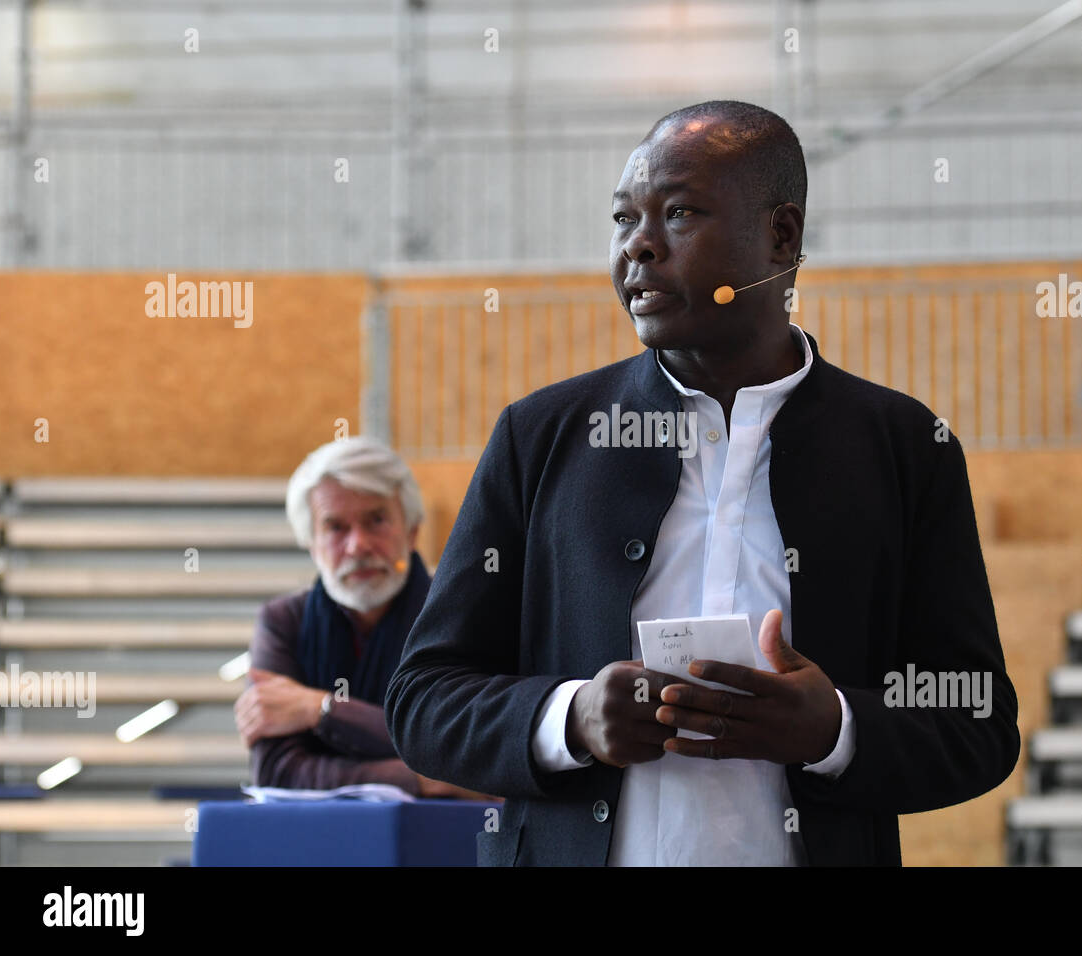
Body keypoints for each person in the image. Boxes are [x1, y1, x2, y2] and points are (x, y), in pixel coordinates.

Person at [385, 100, 1019, 864]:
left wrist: (836, 729)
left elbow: (976, 722)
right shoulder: (540, 435)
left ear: (780, 236)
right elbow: (422, 700)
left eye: (679, 213)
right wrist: (572, 717)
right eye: (625, 220)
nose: (639, 248)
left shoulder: (905, 446)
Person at [236, 436, 483, 800]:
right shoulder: (283, 621)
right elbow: (276, 772)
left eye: (377, 520)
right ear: (311, 543)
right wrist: (420, 779)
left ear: (412, 531)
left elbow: (466, 747)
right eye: (336, 527)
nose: (358, 545)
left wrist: (318, 709)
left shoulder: (460, 612)